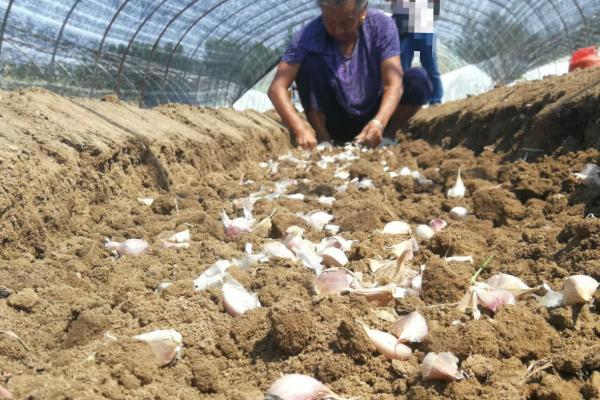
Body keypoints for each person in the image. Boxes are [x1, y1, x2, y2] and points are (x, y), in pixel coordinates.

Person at [268, 0, 433, 150]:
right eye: (331, 23)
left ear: (363, 12)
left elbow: (393, 82)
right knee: (310, 65)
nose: (338, 30)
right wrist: (299, 129)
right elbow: (277, 88)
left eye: (347, 22)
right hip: (335, 117)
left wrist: (379, 122)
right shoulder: (308, 36)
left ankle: (386, 137)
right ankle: (323, 138)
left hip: (376, 111)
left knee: (418, 79)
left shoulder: (381, 25)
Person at [388, 0, 443, 104]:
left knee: (431, 66)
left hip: (423, 24)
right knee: (401, 69)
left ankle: (435, 100)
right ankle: (402, 100)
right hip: (404, 28)